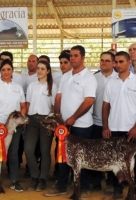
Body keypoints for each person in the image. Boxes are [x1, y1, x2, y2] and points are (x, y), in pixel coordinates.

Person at [45, 45, 97, 200]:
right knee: (63, 157)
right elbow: (58, 97)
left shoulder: (89, 77)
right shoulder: (66, 76)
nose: (72, 58)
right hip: (64, 127)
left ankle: (85, 187)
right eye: (71, 56)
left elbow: (89, 101)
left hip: (82, 126)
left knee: (83, 159)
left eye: (75, 55)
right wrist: (57, 118)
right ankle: (61, 186)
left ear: (82, 58)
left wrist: (73, 118)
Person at [0, 59, 26, 192]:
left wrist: (16, 120)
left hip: (13, 128)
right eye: (3, 70)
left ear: (12, 71)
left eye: (8, 69)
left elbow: (23, 107)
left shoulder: (18, 87)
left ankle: (14, 180)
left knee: (13, 154)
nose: (6, 72)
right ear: (0, 72)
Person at [102, 51, 136, 199]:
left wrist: (135, 128)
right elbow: (105, 106)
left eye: (121, 61)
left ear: (129, 62)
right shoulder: (110, 82)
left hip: (131, 129)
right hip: (114, 128)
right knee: (115, 161)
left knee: (133, 160)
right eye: (116, 62)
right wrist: (105, 127)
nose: (118, 65)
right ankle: (117, 188)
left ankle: (133, 190)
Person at [24, 60, 57, 192]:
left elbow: (54, 107)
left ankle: (43, 179)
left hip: (46, 121)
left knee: (44, 151)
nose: (39, 71)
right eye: (38, 68)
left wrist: (52, 125)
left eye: (42, 69)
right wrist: (26, 120)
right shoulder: (32, 85)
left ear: (48, 71)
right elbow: (27, 104)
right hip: (32, 120)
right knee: (29, 150)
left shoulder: (53, 87)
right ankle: (34, 177)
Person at [91, 52, 117, 193]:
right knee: (96, 153)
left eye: (107, 60)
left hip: (113, 123)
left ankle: (112, 183)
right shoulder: (93, 78)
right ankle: (95, 182)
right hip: (95, 122)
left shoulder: (118, 79)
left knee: (112, 154)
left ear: (113, 63)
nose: (104, 63)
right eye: (102, 60)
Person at [49, 51, 72, 181]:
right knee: (59, 146)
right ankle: (58, 173)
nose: (63, 65)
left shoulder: (75, 77)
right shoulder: (57, 79)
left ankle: (73, 176)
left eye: (65, 62)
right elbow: (55, 99)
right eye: (61, 63)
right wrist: (56, 117)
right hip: (60, 121)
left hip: (73, 120)